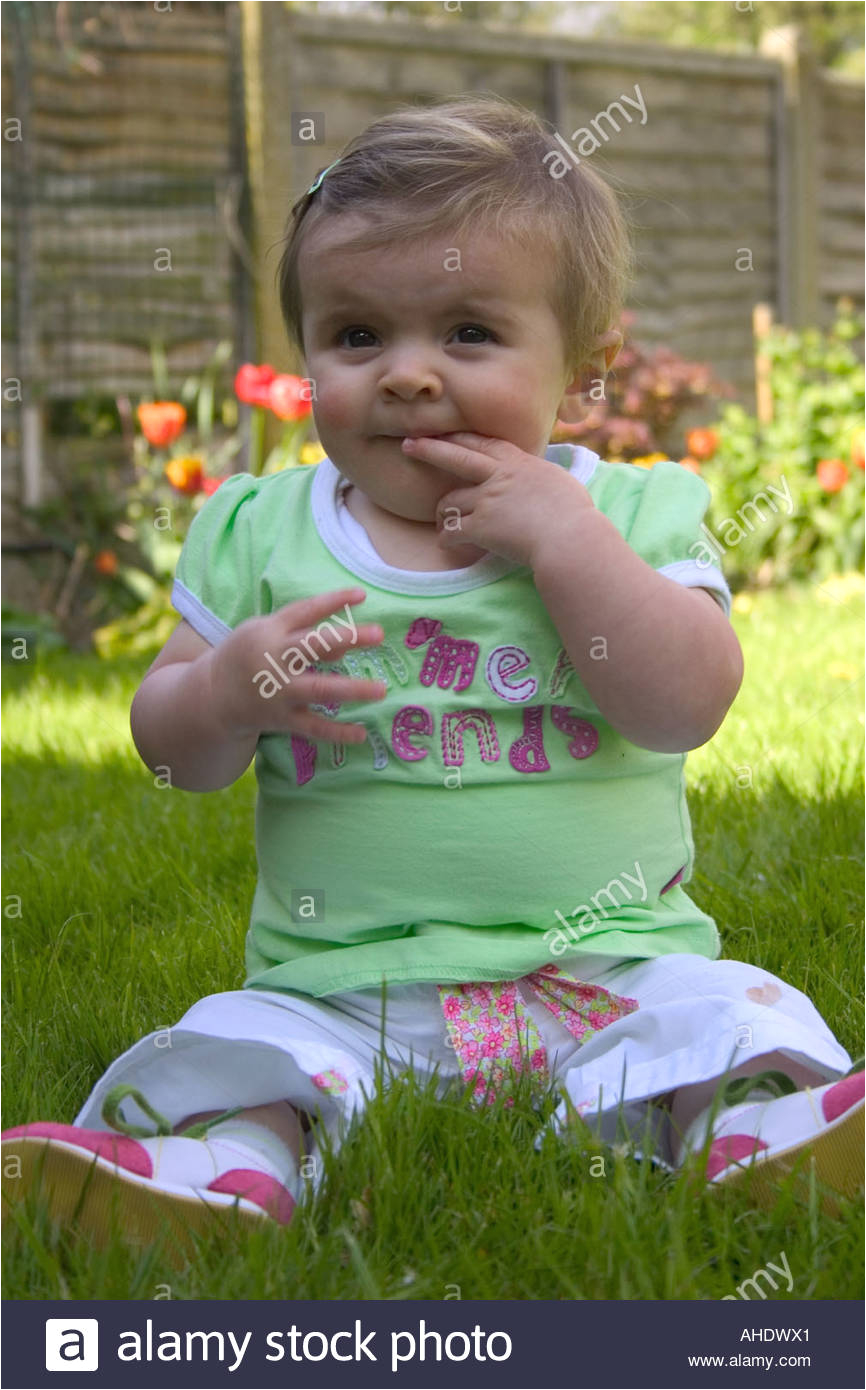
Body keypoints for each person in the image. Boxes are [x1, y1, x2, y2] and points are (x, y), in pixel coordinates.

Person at [3, 95, 862, 1248]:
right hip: (342, 994)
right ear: (306, 357)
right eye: (357, 336)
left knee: (720, 1016)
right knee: (246, 1046)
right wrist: (224, 692)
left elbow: (686, 704)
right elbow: (171, 753)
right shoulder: (258, 531)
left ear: (580, 373)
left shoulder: (629, 511)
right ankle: (229, 1173)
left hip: (606, 973)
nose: (406, 376)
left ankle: (745, 1133)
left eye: (466, 334)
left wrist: (567, 542)